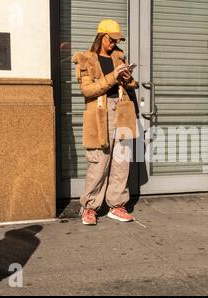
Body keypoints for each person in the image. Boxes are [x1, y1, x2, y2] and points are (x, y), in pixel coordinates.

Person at [72, 19, 138, 225]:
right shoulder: (86, 59)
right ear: (102, 36)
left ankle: (116, 205)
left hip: (123, 110)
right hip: (99, 113)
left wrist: (127, 78)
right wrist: (112, 76)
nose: (114, 44)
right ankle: (90, 207)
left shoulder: (119, 57)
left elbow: (129, 86)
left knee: (121, 161)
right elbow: (87, 90)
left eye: (117, 40)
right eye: (112, 39)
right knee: (99, 162)